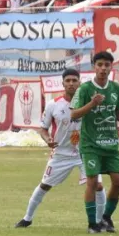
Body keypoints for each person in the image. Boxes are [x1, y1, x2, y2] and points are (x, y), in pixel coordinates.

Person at [70, 52, 119, 234]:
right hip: (91, 144)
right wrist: (92, 104)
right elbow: (73, 114)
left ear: (111, 67)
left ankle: (106, 217)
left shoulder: (115, 88)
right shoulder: (85, 89)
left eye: (107, 65)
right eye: (100, 64)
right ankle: (92, 224)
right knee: (93, 182)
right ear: (94, 66)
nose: (103, 68)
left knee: (118, 181)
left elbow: (118, 114)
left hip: (111, 143)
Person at [15, 69, 95, 227]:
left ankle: (99, 221)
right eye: (68, 81)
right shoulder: (53, 105)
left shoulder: (88, 103)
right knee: (45, 184)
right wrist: (48, 139)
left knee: (96, 185)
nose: (71, 83)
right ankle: (27, 218)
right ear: (63, 83)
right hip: (60, 153)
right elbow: (42, 128)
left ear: (79, 82)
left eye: (74, 80)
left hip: (85, 152)